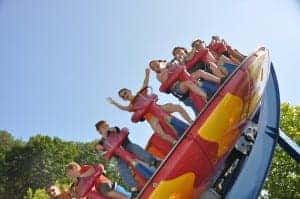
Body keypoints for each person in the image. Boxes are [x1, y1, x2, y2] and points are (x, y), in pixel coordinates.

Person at [95, 120, 159, 192]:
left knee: (135, 148)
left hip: (126, 146)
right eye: (103, 127)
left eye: (106, 125)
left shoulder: (113, 130)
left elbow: (116, 129)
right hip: (119, 156)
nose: (106, 127)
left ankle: (153, 161)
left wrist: (110, 129)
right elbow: (98, 148)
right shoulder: (102, 142)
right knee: (122, 169)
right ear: (100, 131)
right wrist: (101, 149)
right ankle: (134, 186)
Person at [66, 162, 132, 199]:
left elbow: (93, 170)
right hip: (95, 192)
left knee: (104, 190)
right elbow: (79, 195)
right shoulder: (77, 183)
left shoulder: (84, 168)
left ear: (74, 168)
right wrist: (73, 193)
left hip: (102, 184)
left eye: (70, 173)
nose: (70, 175)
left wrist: (82, 176)